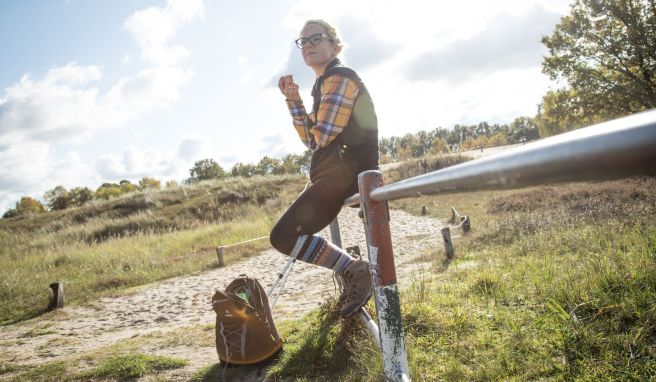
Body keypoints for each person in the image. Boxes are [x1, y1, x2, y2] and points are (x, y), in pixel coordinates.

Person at [269, 19, 379, 318]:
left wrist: (304, 113)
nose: (307, 46)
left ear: (335, 44)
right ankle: (351, 267)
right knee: (286, 236)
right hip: (336, 176)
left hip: (343, 177)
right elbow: (312, 140)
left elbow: (319, 137)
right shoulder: (324, 83)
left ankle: (354, 270)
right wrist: (294, 101)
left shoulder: (339, 78)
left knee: (283, 237)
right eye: (302, 42)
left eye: (315, 39)